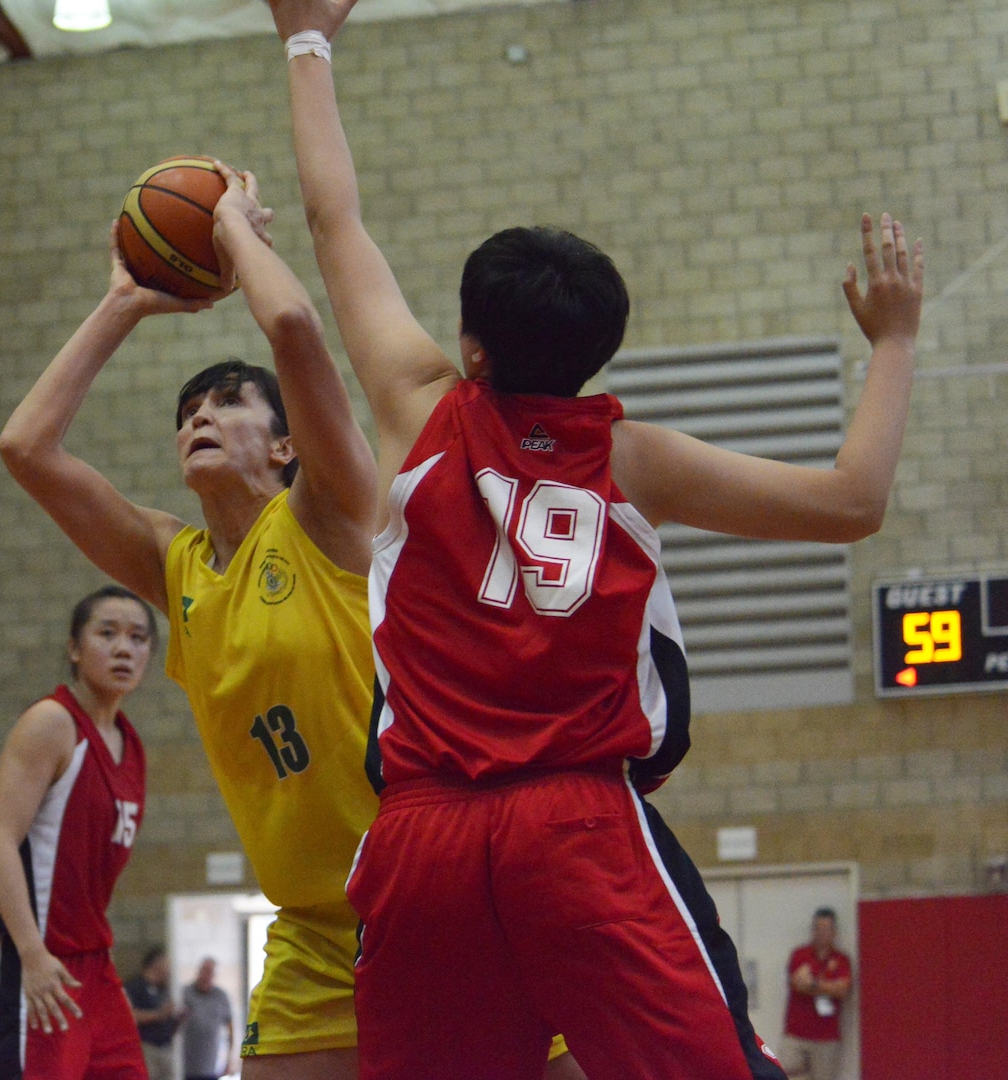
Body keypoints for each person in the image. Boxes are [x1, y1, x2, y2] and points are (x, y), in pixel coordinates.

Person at [270, 1, 924, 1077]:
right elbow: (853, 500)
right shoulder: (634, 460)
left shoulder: (416, 405)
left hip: (420, 833)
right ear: (600, 353)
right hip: (575, 827)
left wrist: (306, 42)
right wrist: (893, 341)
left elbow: (332, 219)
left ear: (470, 347)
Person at [0, 162, 380, 1080]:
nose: (197, 418)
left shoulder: (328, 513)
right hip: (311, 934)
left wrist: (234, 230)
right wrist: (122, 304)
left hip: (436, 891)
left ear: (285, 444)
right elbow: (26, 447)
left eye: (225, 404)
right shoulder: (176, 566)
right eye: (186, 413)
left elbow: (291, 324)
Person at [0, 585, 159, 1080]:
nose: (123, 648)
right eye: (107, 633)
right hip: (33, 957)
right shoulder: (51, 723)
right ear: (74, 648)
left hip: (93, 964)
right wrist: (32, 953)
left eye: (137, 638)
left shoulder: (130, 743)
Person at [778, 907, 854, 1080]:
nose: (821, 934)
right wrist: (828, 986)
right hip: (795, 1035)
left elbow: (842, 990)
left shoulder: (842, 960)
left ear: (834, 932)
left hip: (826, 1038)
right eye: (818, 929)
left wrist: (812, 983)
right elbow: (797, 984)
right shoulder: (800, 955)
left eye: (826, 929)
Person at [125, 946, 184, 1080]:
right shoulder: (135, 987)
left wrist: (177, 1019)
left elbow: (167, 1019)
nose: (169, 970)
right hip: (147, 1048)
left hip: (165, 1048)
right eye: (167, 965)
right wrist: (158, 1015)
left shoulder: (162, 989)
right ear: (157, 964)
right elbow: (129, 1015)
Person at [181, 959, 234, 1080]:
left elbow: (230, 1028)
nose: (206, 975)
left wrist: (229, 1058)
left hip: (212, 1063)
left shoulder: (221, 996)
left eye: (210, 972)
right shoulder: (185, 993)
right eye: (204, 970)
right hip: (188, 1063)